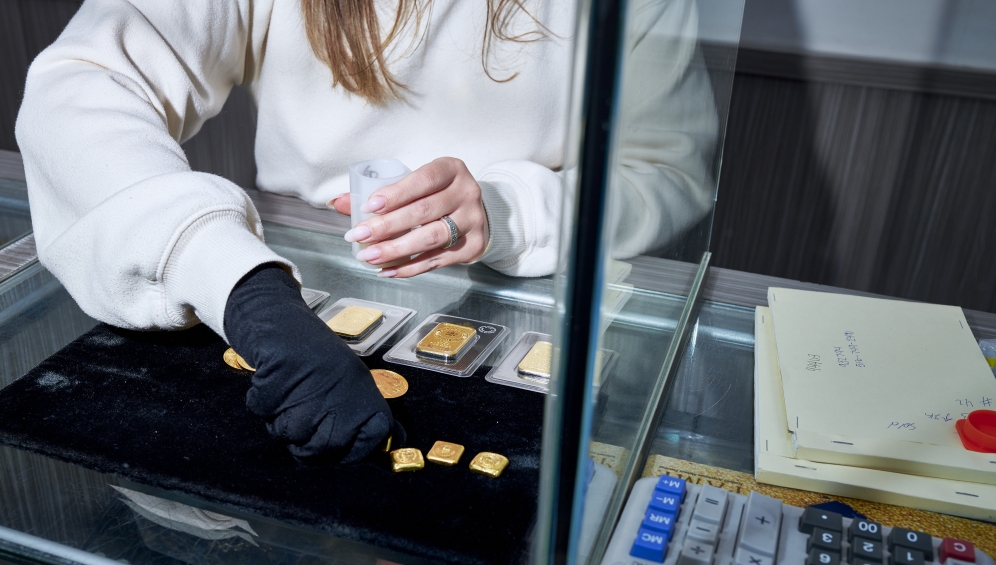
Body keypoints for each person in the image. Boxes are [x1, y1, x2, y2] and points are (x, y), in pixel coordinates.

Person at [16, 0, 716, 463]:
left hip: (529, 322)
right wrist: (239, 283)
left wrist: (508, 210)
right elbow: (80, 89)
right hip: (285, 310)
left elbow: (667, 169)